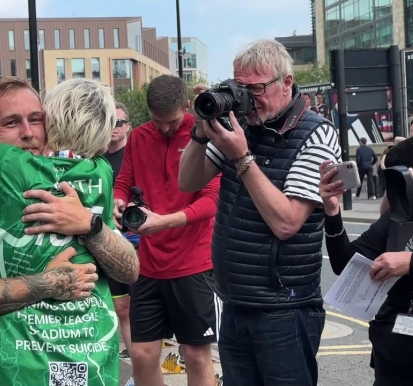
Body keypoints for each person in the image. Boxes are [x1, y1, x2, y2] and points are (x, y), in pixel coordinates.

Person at [0, 75, 139, 386]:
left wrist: (90, 226)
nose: (28, 133)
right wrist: (46, 284)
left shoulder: (75, 192)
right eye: (11, 123)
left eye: (36, 119)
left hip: (78, 367)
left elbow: (129, 269)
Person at [178, 39, 341, 386]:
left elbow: (287, 222)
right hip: (235, 302)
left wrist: (242, 158)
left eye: (258, 88)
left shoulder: (317, 134)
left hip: (285, 309)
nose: (250, 99)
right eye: (242, 88)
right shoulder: (243, 129)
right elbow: (187, 180)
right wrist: (199, 130)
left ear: (287, 82)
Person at [111, 74, 220, 386]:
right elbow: (123, 181)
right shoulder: (139, 137)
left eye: (171, 122)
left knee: (196, 355)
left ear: (186, 107)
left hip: (194, 265)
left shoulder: (204, 136)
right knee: (142, 354)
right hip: (149, 266)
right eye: (157, 121)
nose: (164, 128)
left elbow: (212, 201)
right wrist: (118, 201)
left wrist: (161, 221)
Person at [318, 135, 413, 385]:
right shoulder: (402, 213)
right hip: (392, 356)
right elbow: (347, 264)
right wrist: (332, 212)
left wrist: (411, 262)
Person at [103, 102, 138, 359]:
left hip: (138, 240)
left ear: (128, 127)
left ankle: (145, 365)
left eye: (119, 123)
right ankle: (137, 368)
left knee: (142, 307)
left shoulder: (135, 155)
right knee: (121, 307)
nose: (114, 128)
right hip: (106, 239)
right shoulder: (96, 159)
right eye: (110, 122)